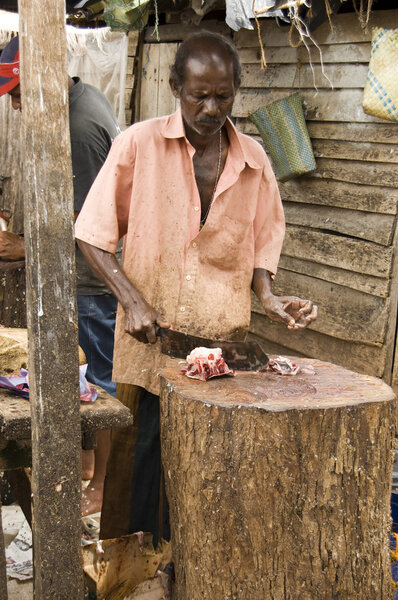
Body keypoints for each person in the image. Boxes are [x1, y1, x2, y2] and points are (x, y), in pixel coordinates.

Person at [75, 31, 318, 545]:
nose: (211, 108)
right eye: (198, 96)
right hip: (151, 346)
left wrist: (269, 296)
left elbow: (262, 239)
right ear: (174, 88)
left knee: (210, 484)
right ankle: (135, 573)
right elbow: (92, 234)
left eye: (223, 96)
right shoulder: (137, 145)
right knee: (140, 480)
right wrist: (132, 300)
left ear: (235, 91)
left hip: (222, 357)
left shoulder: (254, 161)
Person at [0, 35, 121, 516]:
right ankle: (87, 468)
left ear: (46, 79)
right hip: (77, 274)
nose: (14, 108)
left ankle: (104, 488)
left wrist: (26, 248)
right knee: (81, 380)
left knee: (101, 388)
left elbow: (95, 222)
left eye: (18, 95)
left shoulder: (79, 124)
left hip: (91, 281)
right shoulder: (80, 98)